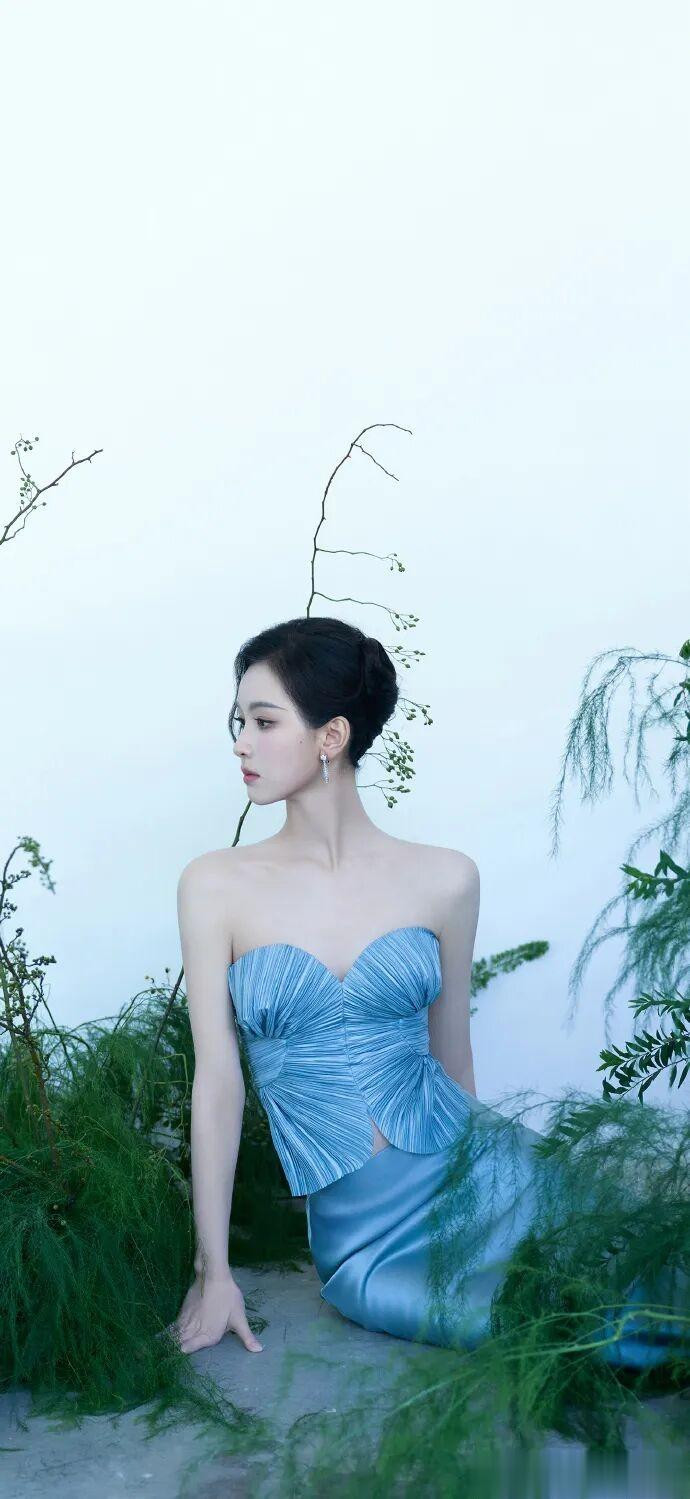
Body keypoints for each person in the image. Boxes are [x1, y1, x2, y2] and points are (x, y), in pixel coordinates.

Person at [169, 615, 689, 1367]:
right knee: (575, 1329)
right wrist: (212, 1273)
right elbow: (218, 1083)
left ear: (332, 735)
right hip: (365, 1242)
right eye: (238, 722)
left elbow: (454, 1064)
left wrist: (487, 1200)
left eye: (263, 721)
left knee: (656, 1270)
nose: (240, 743)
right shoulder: (215, 885)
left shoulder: (445, 878)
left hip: (484, 1173)